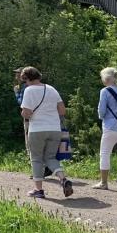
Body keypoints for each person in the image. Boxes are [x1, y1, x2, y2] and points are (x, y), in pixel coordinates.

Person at [18, 67, 74, 199]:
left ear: (27, 78)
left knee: (36, 159)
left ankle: (38, 190)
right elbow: (62, 111)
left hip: (37, 129)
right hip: (54, 129)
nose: (25, 83)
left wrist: (24, 113)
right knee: (50, 158)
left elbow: (26, 113)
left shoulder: (29, 90)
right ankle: (63, 179)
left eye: (24, 80)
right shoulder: (51, 89)